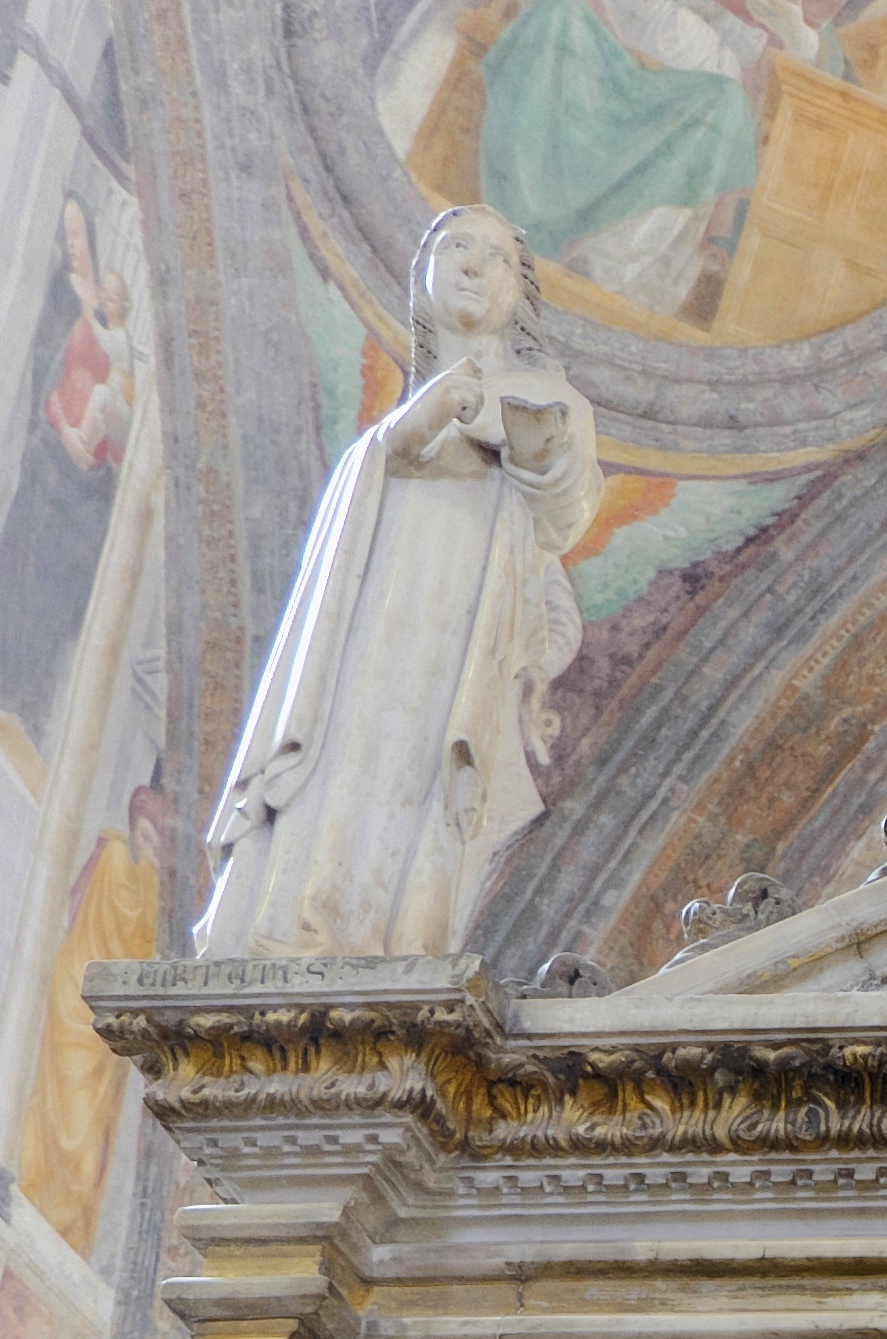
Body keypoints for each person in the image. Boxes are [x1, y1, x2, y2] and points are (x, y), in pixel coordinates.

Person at [196, 208, 594, 959]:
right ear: (423, 278)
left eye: (495, 258)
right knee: (347, 740)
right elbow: (373, 465)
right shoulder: (390, 434)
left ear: (520, 293)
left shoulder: (551, 398)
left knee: (432, 761)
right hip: (369, 619)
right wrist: (416, 424)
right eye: (455, 249)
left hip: (462, 629)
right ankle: (295, 920)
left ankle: (403, 932)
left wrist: (540, 451)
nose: (474, 266)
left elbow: (566, 507)